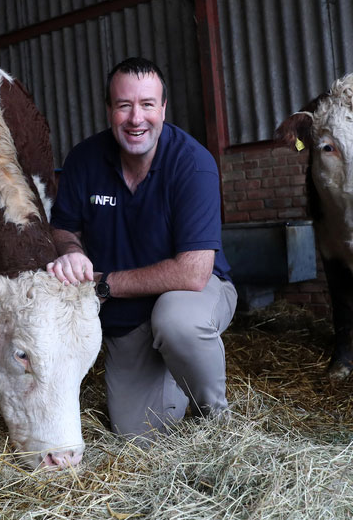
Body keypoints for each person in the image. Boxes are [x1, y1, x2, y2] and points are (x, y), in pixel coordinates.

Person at [47, 57, 237, 439]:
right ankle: (173, 371)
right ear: (109, 110)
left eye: (147, 104)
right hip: (127, 319)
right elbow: (64, 228)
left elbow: (193, 272)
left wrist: (103, 285)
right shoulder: (84, 160)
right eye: (124, 105)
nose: (136, 118)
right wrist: (71, 251)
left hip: (190, 295)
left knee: (177, 320)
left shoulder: (193, 163)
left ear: (163, 108)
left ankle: (217, 422)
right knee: (137, 435)